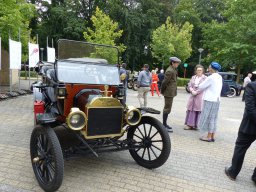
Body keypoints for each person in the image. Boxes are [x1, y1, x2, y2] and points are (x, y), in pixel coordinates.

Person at [225, 82, 256, 183]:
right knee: (240, 148)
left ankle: (233, 173)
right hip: (250, 125)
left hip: (249, 126)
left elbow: (250, 108)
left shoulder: (252, 85)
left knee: (240, 148)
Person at [197, 62, 223, 142]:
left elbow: (201, 86)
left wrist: (199, 84)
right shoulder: (219, 77)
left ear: (211, 68)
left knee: (208, 117)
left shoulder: (211, 77)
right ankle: (212, 135)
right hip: (217, 99)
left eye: (209, 66)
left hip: (210, 99)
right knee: (214, 118)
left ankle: (208, 137)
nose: (208, 67)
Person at [161, 57, 181, 133]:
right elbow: (164, 82)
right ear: (172, 63)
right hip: (168, 93)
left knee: (168, 108)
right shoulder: (170, 70)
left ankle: (165, 124)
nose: (178, 64)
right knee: (167, 108)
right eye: (177, 63)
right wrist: (162, 90)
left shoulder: (173, 70)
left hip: (170, 92)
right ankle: (163, 125)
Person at [184, 65, 206, 130]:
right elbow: (189, 85)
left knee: (198, 110)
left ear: (202, 71)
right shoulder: (193, 77)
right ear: (196, 71)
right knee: (191, 109)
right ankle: (189, 125)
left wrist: (197, 92)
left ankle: (197, 125)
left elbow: (204, 87)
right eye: (198, 70)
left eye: (200, 70)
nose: (199, 71)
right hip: (192, 95)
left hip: (199, 96)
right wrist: (192, 90)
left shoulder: (205, 78)